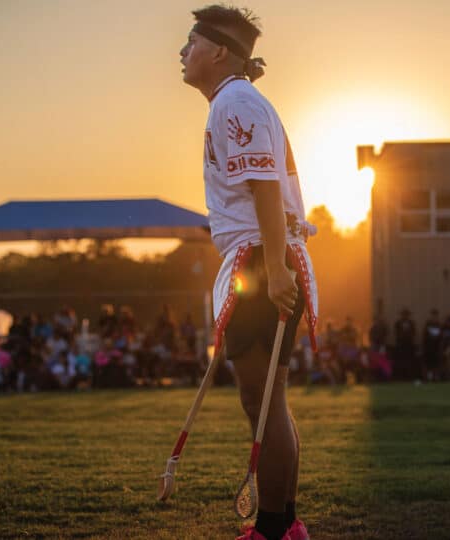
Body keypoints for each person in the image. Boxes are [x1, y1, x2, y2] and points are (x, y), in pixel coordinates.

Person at [180, 6, 318, 539]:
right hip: (266, 256)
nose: (181, 53)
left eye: (191, 43)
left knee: (261, 400)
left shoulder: (235, 101)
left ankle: (275, 528)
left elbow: (263, 186)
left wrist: (277, 268)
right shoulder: (235, 101)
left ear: (218, 52)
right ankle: (286, 526)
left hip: (262, 260)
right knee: (266, 400)